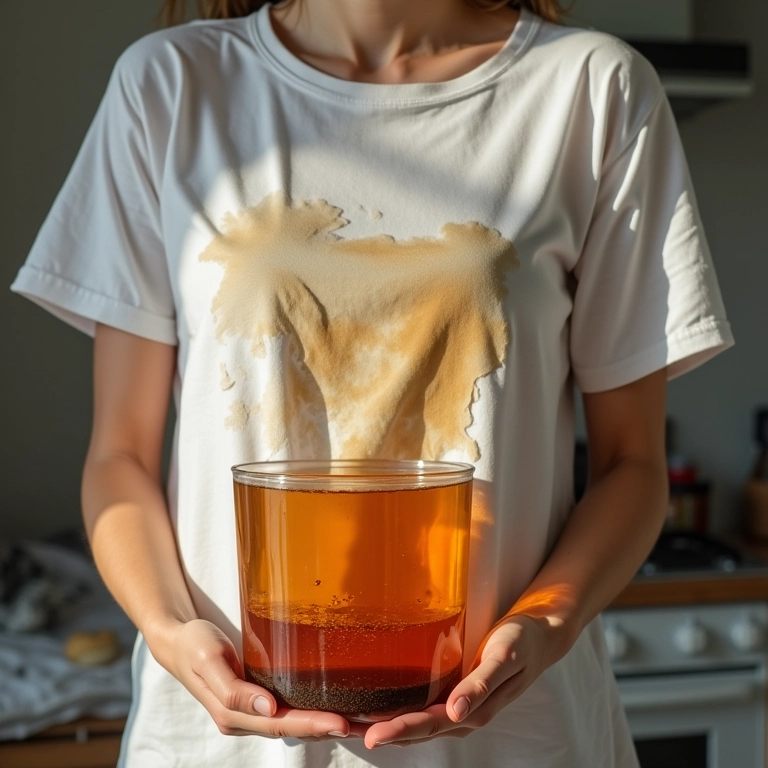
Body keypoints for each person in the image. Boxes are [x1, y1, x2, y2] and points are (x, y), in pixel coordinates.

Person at [11, 0, 733, 765]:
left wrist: (546, 624)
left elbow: (632, 464)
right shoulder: (173, 84)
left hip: (511, 737)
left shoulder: (593, 89)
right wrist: (169, 632)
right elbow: (118, 458)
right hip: (224, 744)